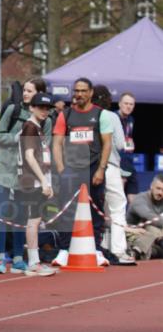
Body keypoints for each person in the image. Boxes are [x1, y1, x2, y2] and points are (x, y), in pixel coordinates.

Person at [52, 77, 113, 268]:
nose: (79, 94)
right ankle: (64, 250)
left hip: (93, 167)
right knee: (66, 209)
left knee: (96, 209)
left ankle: (96, 250)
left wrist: (101, 169)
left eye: (83, 91)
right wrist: (61, 167)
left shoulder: (101, 115)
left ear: (91, 92)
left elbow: (107, 144)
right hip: (70, 168)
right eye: (76, 91)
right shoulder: (66, 114)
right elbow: (57, 143)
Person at [0, 77, 47, 274]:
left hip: (25, 175)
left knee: (21, 215)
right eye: (24, 90)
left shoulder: (44, 118)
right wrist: (15, 139)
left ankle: (17, 256)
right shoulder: (12, 110)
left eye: (30, 91)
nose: (25, 94)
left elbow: (44, 145)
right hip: (4, 169)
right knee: (2, 213)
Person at [93, 85, 136, 264]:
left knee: (94, 208)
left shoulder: (82, 114)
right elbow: (119, 144)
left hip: (85, 166)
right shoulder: (112, 116)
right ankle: (118, 251)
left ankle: (98, 248)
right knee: (117, 207)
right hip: (108, 166)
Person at [17, 92, 56, 276]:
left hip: (35, 180)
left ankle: (35, 261)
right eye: (41, 107)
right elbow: (29, 156)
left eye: (47, 108)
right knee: (33, 221)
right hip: (31, 181)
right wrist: (43, 181)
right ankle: (34, 263)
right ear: (31, 107)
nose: (45, 111)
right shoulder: (30, 127)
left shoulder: (36, 127)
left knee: (35, 220)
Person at [126, 174, 163, 260]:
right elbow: (151, 218)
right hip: (133, 234)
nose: (160, 193)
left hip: (152, 239)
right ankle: (136, 252)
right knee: (152, 228)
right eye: (158, 188)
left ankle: (146, 252)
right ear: (151, 186)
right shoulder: (140, 199)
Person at [117, 92, 138, 203]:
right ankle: (114, 220)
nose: (128, 106)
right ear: (120, 104)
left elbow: (127, 138)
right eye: (126, 103)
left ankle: (133, 219)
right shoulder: (113, 118)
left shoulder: (131, 120)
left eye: (131, 104)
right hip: (118, 164)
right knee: (119, 197)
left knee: (133, 197)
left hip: (129, 162)